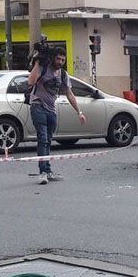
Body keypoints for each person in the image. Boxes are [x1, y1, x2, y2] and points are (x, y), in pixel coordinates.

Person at [27, 47, 85, 185]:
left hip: (51, 110)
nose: (60, 62)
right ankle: (42, 172)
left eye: (63, 60)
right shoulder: (43, 67)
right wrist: (37, 62)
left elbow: (69, 93)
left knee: (48, 141)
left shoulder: (63, 74)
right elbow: (31, 81)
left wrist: (79, 112)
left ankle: (47, 171)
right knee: (43, 139)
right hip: (38, 106)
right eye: (58, 58)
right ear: (53, 58)